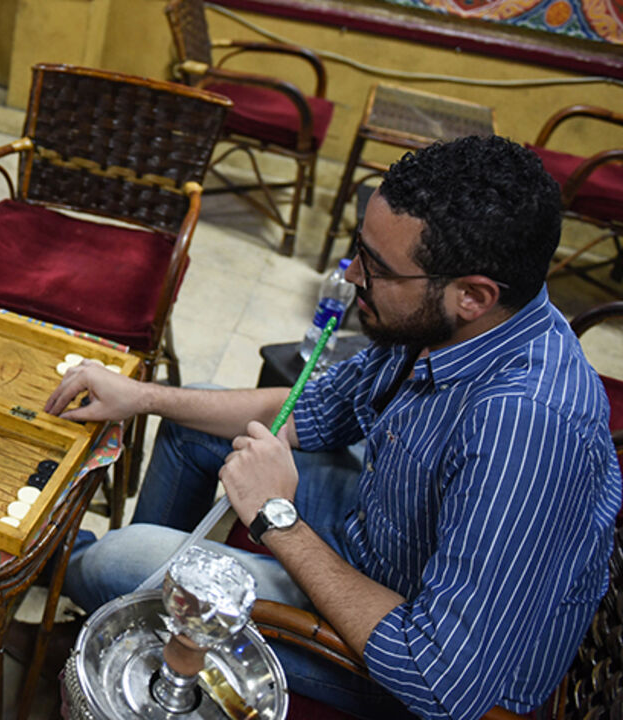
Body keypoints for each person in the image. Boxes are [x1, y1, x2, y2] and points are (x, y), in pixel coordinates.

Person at [46, 136, 620, 720]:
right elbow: (315, 408)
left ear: (473, 295)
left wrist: (278, 518)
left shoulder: (527, 426)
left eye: (376, 267)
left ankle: (99, 587)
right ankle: (147, 635)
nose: (351, 276)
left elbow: (441, 679)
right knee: (195, 426)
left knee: (118, 561)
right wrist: (141, 397)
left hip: (413, 662)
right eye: (359, 251)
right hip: (386, 537)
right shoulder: (452, 323)